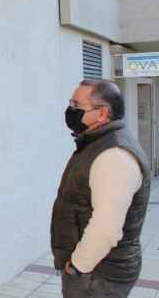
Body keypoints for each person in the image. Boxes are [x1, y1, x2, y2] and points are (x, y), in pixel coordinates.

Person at [51, 79, 150, 298]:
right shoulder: (98, 144)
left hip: (98, 275)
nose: (70, 111)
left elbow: (106, 228)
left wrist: (78, 265)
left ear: (103, 114)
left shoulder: (113, 156)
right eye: (70, 103)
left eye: (77, 106)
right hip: (96, 271)